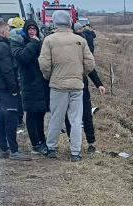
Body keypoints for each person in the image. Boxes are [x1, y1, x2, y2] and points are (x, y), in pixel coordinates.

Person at [39, 9, 96, 162]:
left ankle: (51, 147)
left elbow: (44, 64)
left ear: (54, 22)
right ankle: (75, 152)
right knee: (76, 120)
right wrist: (80, 73)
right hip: (77, 85)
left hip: (58, 85)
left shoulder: (49, 40)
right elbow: (90, 64)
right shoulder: (80, 40)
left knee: (56, 117)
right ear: (70, 22)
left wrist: (50, 76)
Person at [0, 18, 30, 160]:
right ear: (3, 32)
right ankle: (14, 151)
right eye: (8, 30)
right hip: (5, 88)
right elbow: (7, 70)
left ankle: (4, 149)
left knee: (1, 117)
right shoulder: (2, 47)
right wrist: (14, 88)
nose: (9, 32)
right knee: (10, 118)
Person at [69, 18, 107, 153]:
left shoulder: (82, 45)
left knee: (86, 114)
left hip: (81, 85)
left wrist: (99, 84)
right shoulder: (64, 47)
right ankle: (74, 144)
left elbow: (90, 68)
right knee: (71, 116)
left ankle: (91, 143)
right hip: (68, 86)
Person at [14, 19, 51, 155]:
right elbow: (23, 58)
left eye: (34, 29)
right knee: (31, 113)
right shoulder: (19, 42)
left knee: (40, 113)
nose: (31, 31)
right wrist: (34, 43)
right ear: (25, 30)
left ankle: (42, 140)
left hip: (42, 83)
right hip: (29, 82)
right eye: (29, 29)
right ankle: (35, 143)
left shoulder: (41, 42)